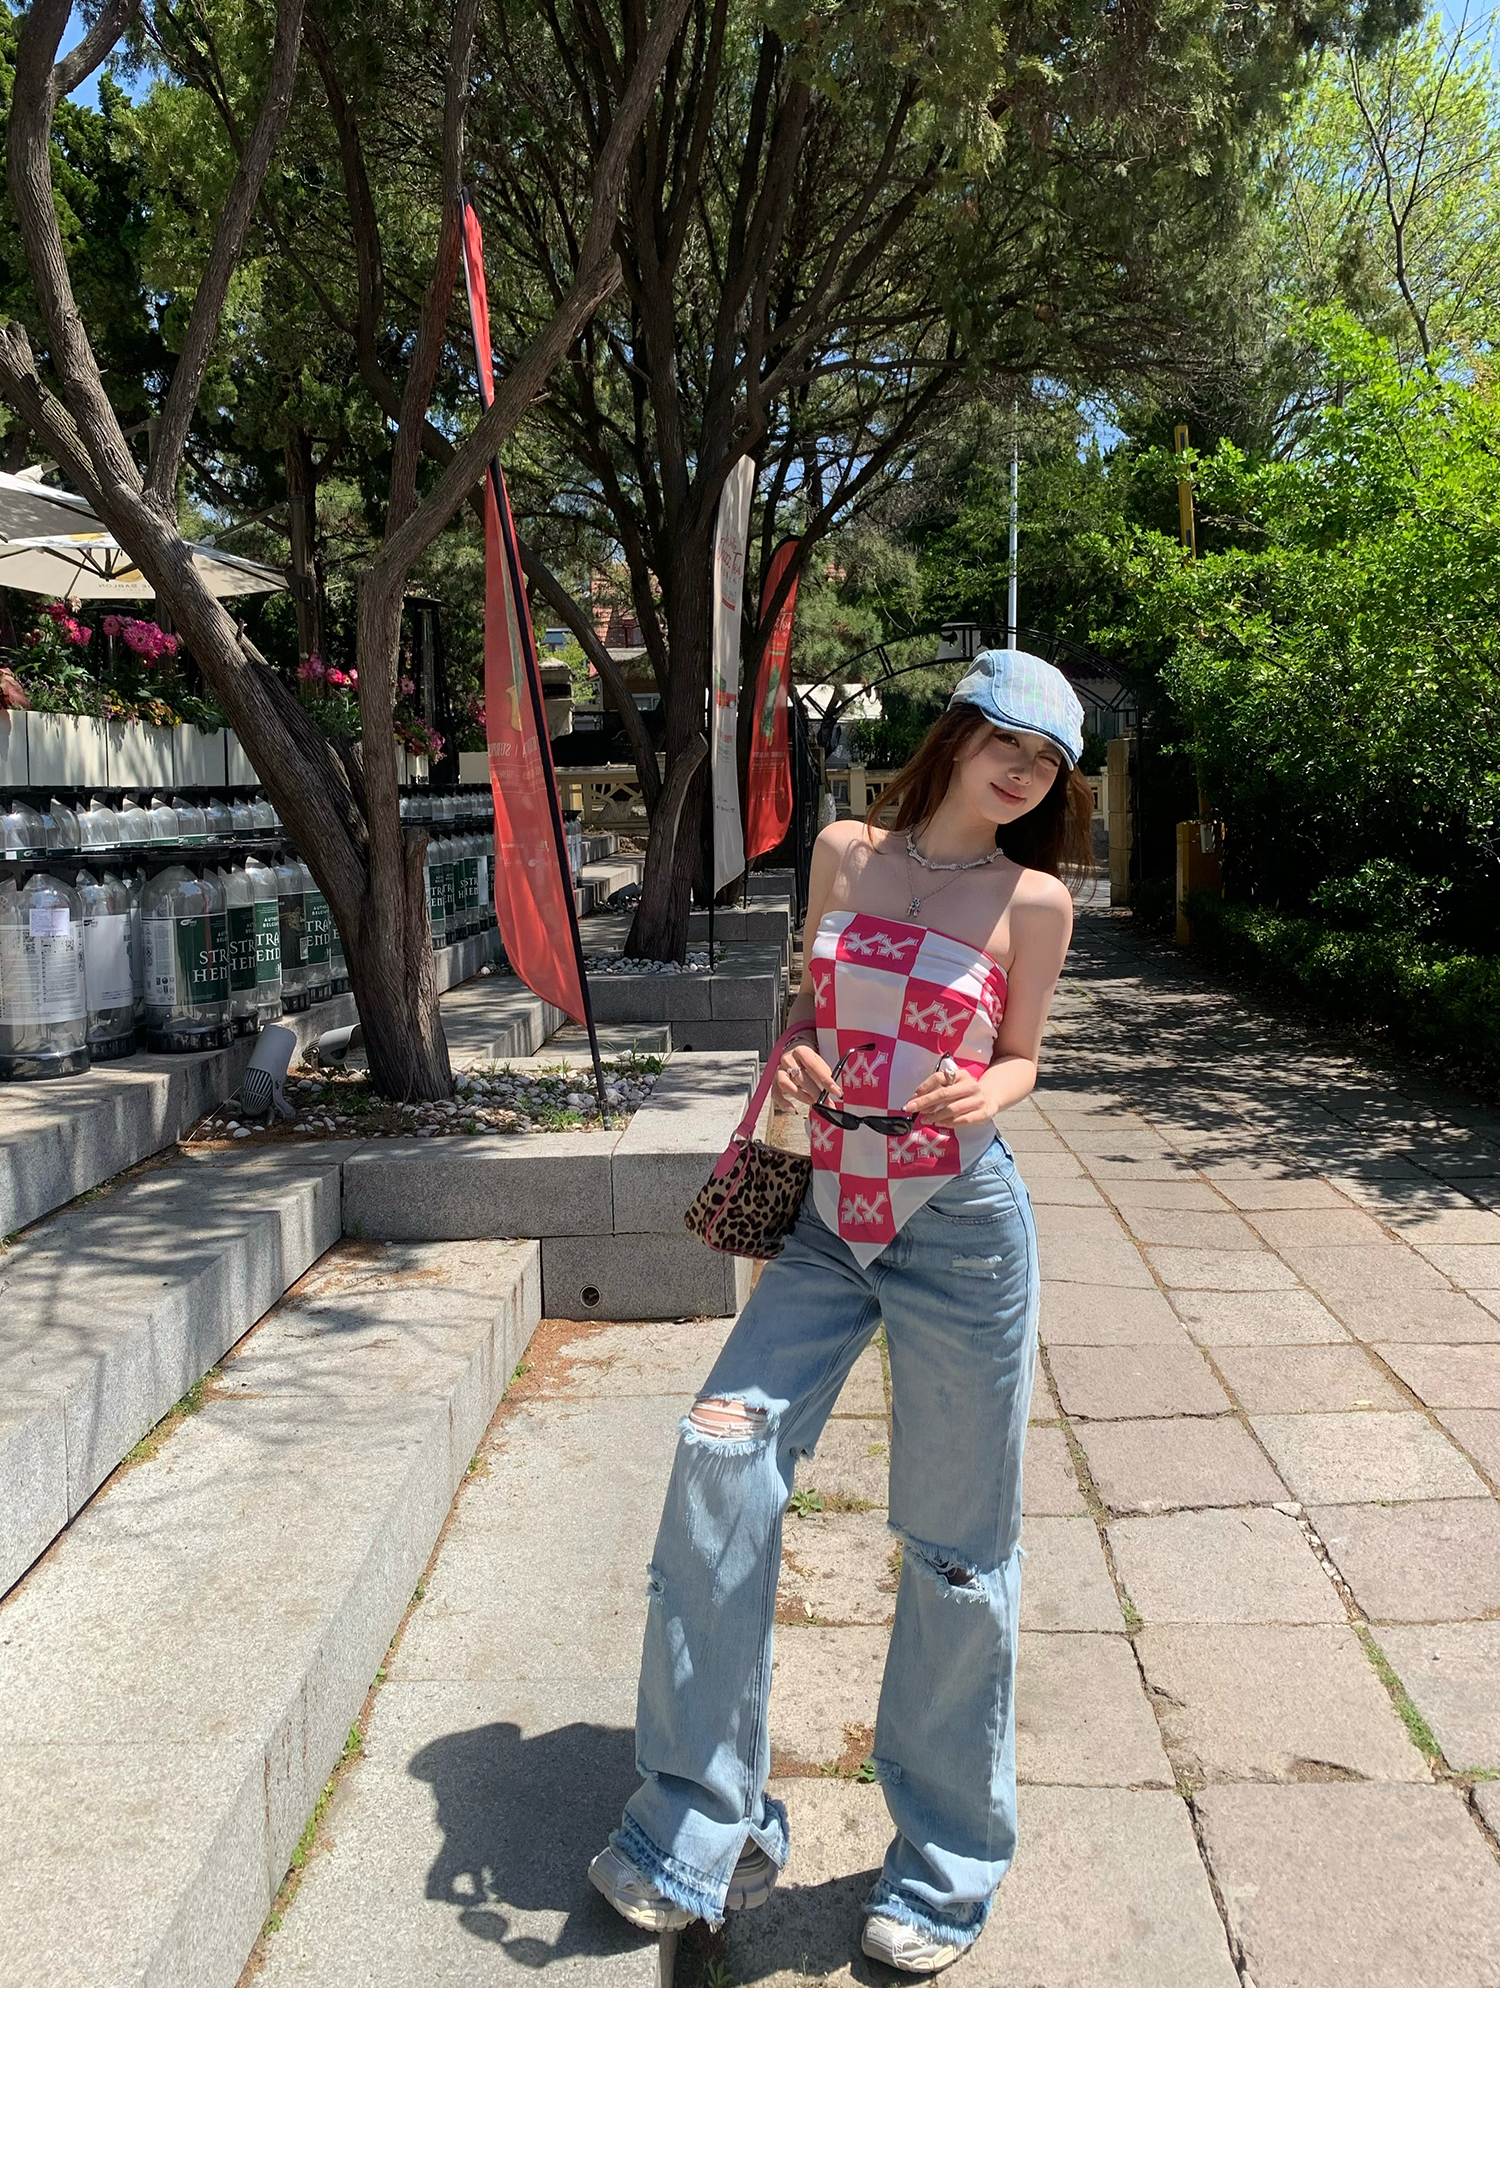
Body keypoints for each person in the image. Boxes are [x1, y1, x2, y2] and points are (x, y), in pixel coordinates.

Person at [588, 648, 1094, 1974]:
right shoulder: (843, 852)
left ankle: (946, 1864)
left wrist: (993, 1089)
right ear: (958, 733)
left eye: (1048, 761)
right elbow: (809, 1014)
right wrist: (801, 1057)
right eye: (1007, 740)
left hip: (963, 1232)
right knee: (719, 1454)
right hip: (825, 1215)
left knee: (959, 1545)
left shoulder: (1035, 899)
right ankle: (700, 1824)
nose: (1023, 771)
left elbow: (1025, 1054)